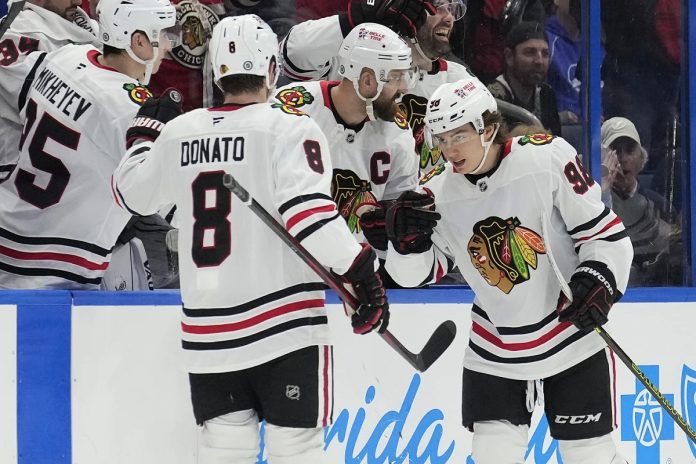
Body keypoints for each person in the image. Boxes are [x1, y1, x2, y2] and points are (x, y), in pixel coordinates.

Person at [112, 15, 389, 463]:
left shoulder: (182, 131)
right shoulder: (289, 128)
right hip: (285, 330)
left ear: (215, 71)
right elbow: (310, 217)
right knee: (296, 452)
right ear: (272, 70)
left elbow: (132, 193)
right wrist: (362, 272)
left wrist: (144, 139)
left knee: (224, 454)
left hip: (208, 333)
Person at [384, 76, 633, 463]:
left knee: (591, 456)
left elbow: (605, 234)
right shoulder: (436, 192)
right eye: (441, 138)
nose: (449, 149)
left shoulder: (546, 158)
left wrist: (599, 277)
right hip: (494, 347)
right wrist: (405, 244)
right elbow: (413, 275)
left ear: (486, 127)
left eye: (458, 135)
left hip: (568, 336)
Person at [0, 0, 178, 289]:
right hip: (53, 274)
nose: (169, 45)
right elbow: (162, 201)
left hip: (7, 232)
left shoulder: (65, 56)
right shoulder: (131, 110)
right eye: (163, 33)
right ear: (138, 40)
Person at [272, 22, 419, 261]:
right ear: (367, 80)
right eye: (396, 77)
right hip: (289, 266)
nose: (405, 87)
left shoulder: (398, 132)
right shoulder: (291, 108)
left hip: (357, 272)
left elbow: (399, 206)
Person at [280, 0, 472, 173]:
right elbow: (293, 57)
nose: (449, 18)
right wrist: (351, 20)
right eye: (439, 7)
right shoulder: (354, 55)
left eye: (453, 9)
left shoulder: (458, 81)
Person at [0, 0, 99, 180]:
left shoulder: (76, 20)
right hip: (19, 176)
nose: (78, 2)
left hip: (71, 173)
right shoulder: (19, 34)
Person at [601, 117, 677, 286]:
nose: (623, 158)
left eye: (630, 150)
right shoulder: (589, 204)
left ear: (641, 158)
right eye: (615, 150)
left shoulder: (660, 206)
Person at [488, 21, 561, 135]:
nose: (539, 61)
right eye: (530, 52)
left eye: (545, 53)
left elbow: (558, 144)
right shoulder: (493, 97)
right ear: (509, 56)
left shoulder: (546, 93)